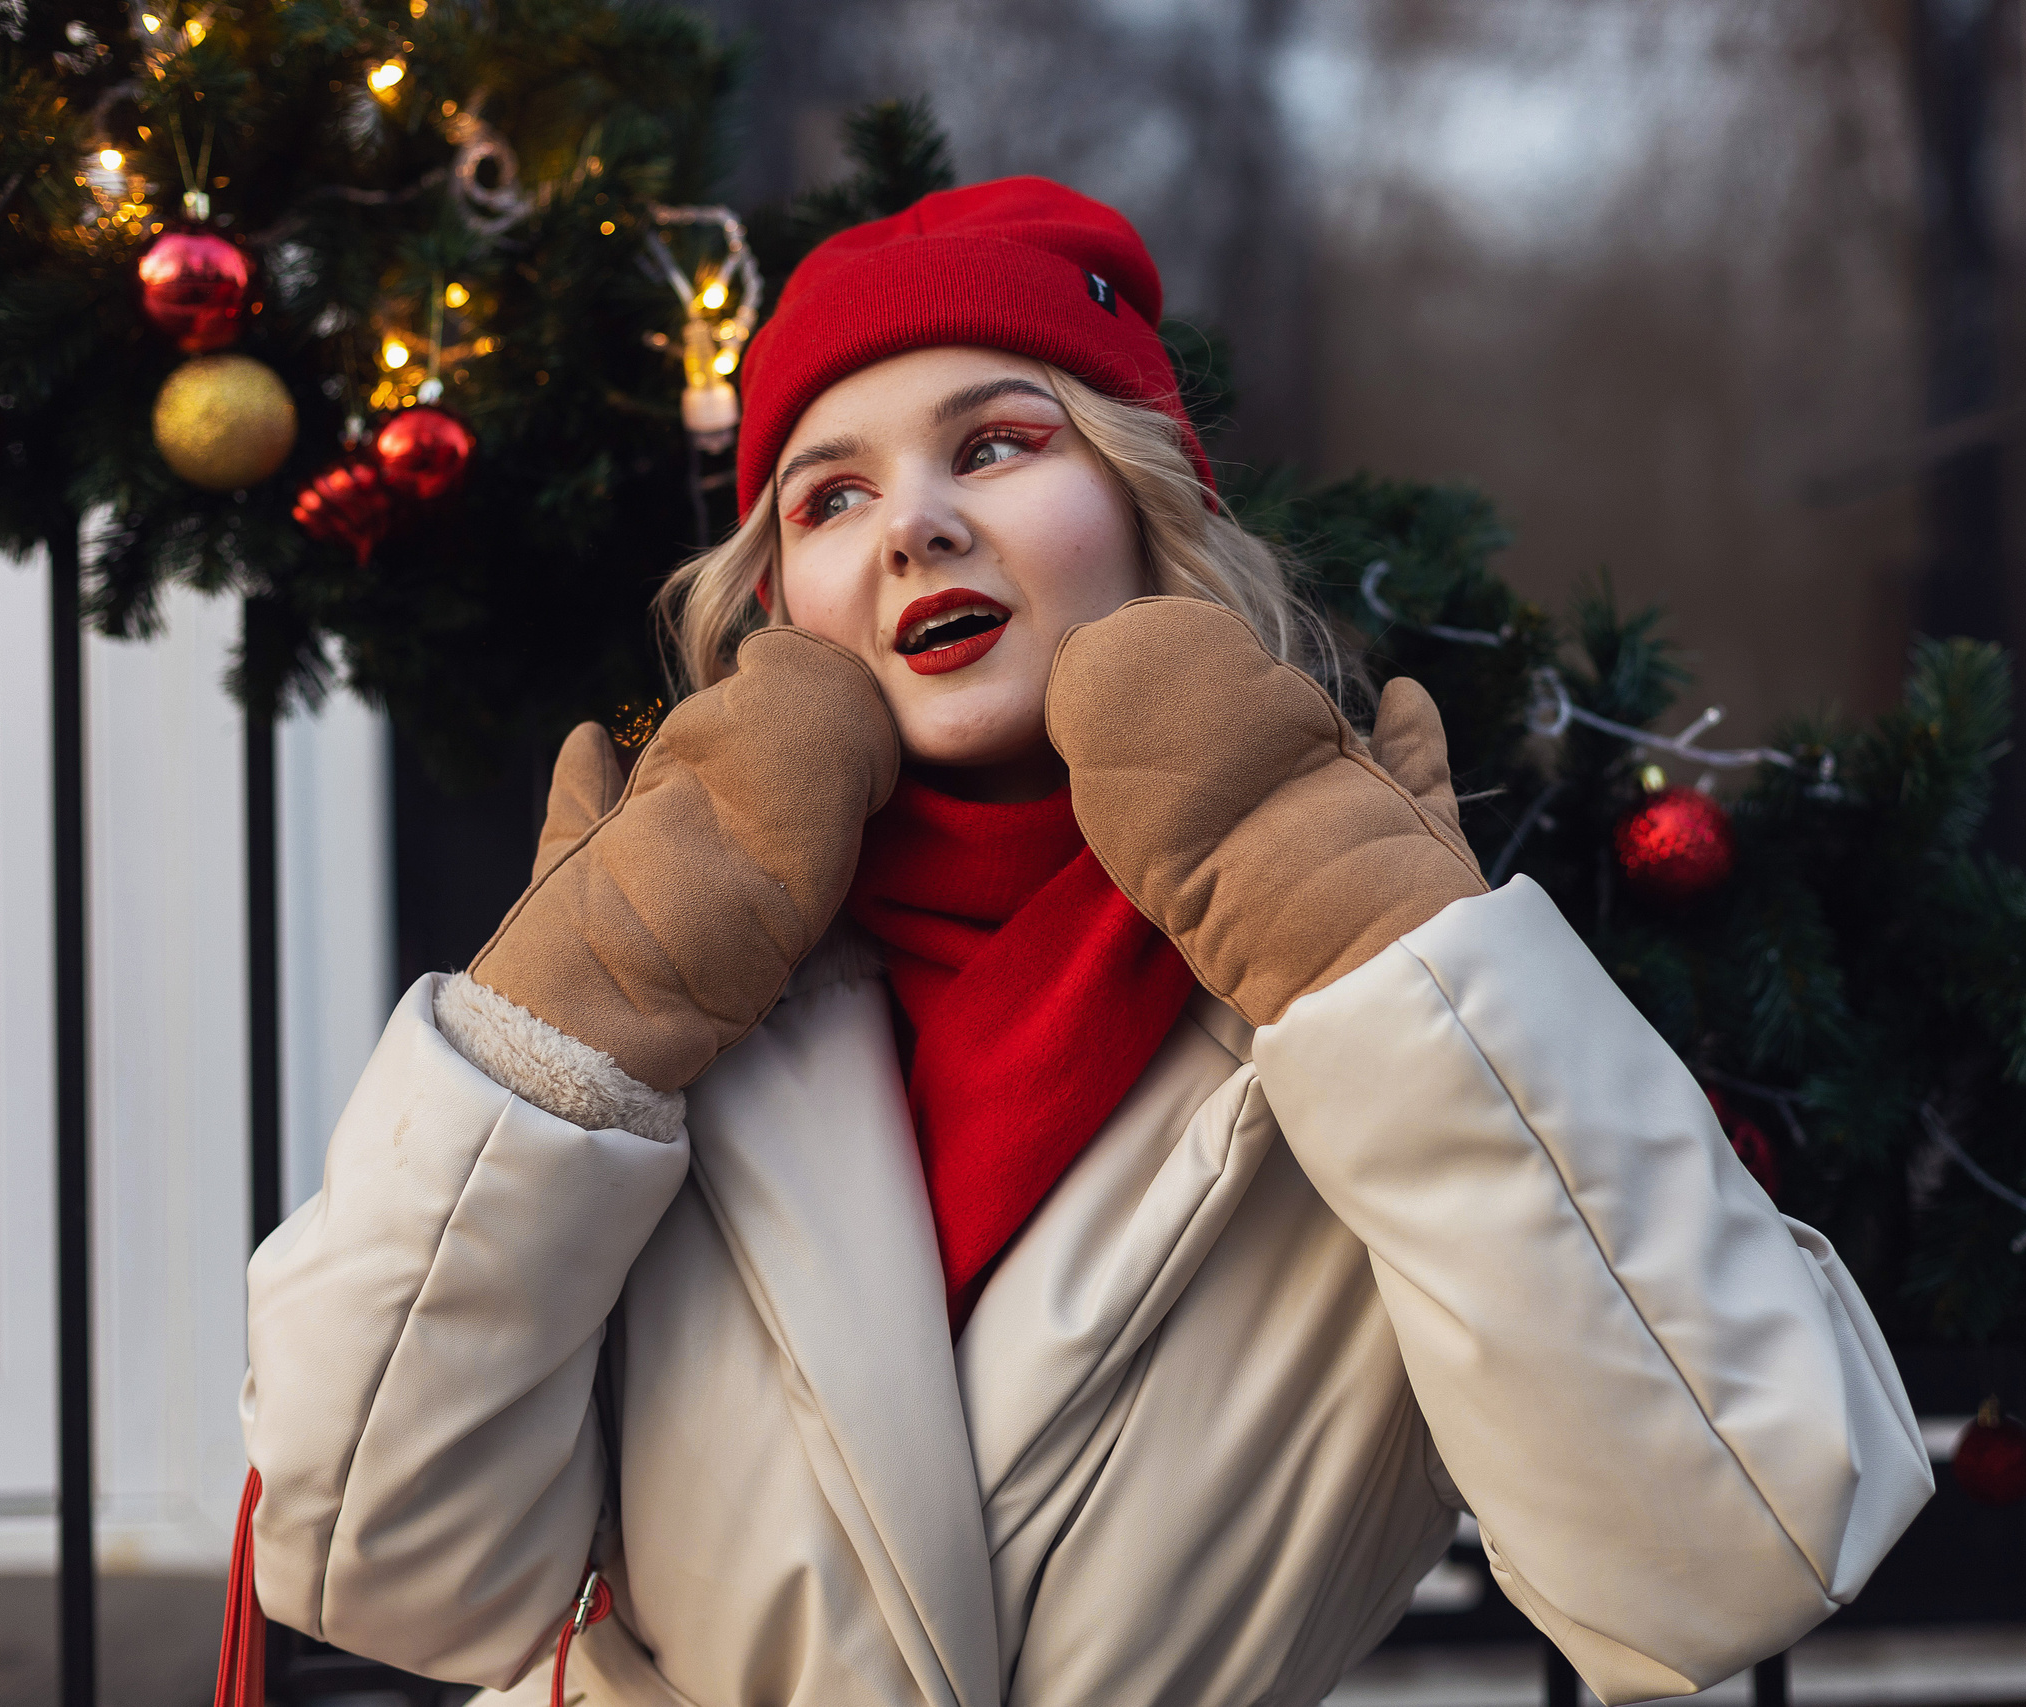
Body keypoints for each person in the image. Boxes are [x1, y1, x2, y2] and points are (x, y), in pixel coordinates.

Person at [235, 178, 1931, 1707]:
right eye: (829, 498)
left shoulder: (1360, 934)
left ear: (1146, 510)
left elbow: (1735, 1548)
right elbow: (389, 1569)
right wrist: (578, 1016)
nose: (914, 527)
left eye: (995, 446)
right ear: (781, 615)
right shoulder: (667, 949)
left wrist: (1380, 947)